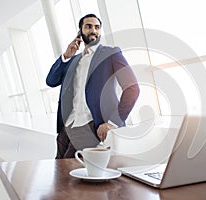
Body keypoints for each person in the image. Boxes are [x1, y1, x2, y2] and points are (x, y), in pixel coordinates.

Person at [46, 14, 140, 159]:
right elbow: (51, 81)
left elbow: (132, 89)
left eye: (97, 27)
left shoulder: (111, 53)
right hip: (67, 126)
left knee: (70, 173)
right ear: (80, 31)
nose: (93, 30)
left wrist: (113, 122)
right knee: (58, 170)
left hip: (90, 125)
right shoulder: (73, 60)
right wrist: (66, 56)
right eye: (88, 26)